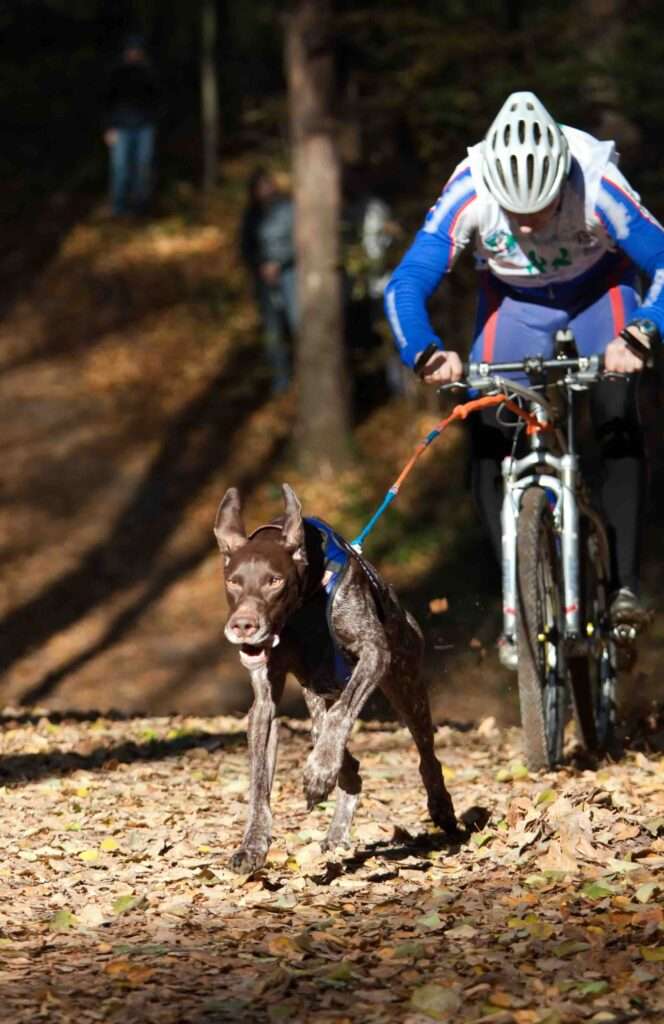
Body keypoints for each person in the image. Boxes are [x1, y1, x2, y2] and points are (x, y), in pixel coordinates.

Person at [384, 91, 664, 668]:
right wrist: (425, 352)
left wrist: (642, 332)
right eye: (518, 214)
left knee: (615, 413)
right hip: (515, 303)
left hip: (600, 292)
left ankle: (626, 587)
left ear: (564, 180)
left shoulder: (596, 183)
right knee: (487, 432)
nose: (531, 224)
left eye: (542, 208)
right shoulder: (469, 190)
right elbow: (406, 282)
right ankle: (519, 590)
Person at [240, 169, 297, 394]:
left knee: (297, 322)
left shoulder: (289, 209)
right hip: (263, 280)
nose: (266, 190)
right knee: (272, 329)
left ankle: (303, 371)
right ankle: (281, 377)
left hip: (290, 274)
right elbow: (246, 248)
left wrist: (280, 262)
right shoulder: (251, 217)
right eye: (260, 187)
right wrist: (260, 265)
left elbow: (301, 241)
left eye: (268, 184)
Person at [103, 34, 160, 216]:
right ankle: (119, 208)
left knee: (142, 168)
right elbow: (106, 101)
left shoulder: (149, 72)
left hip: (144, 126)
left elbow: (157, 99)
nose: (134, 54)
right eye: (131, 50)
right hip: (120, 127)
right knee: (120, 169)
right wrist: (108, 127)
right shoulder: (116, 72)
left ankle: (139, 208)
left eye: (137, 51)